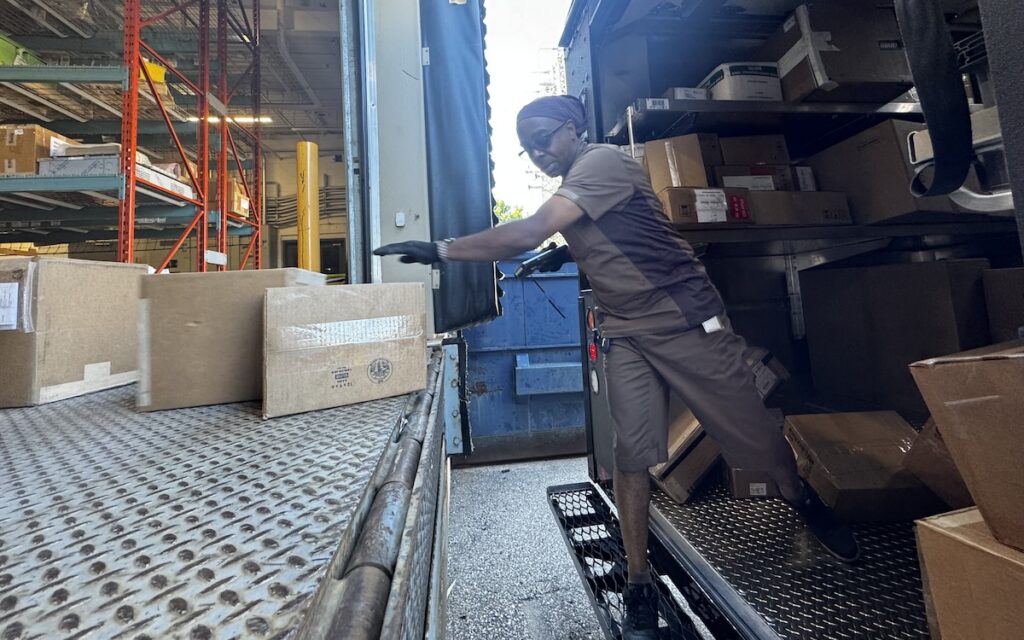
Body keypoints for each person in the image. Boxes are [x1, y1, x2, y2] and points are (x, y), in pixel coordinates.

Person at [375, 95, 859, 639]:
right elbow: (608, 231)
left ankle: (801, 497)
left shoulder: (600, 161)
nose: (537, 152)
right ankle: (638, 581)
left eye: (545, 138)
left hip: (684, 320)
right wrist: (568, 252)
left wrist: (442, 249)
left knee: (753, 443)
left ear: (574, 128)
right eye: (527, 146)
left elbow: (528, 230)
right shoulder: (579, 179)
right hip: (626, 330)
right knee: (630, 454)